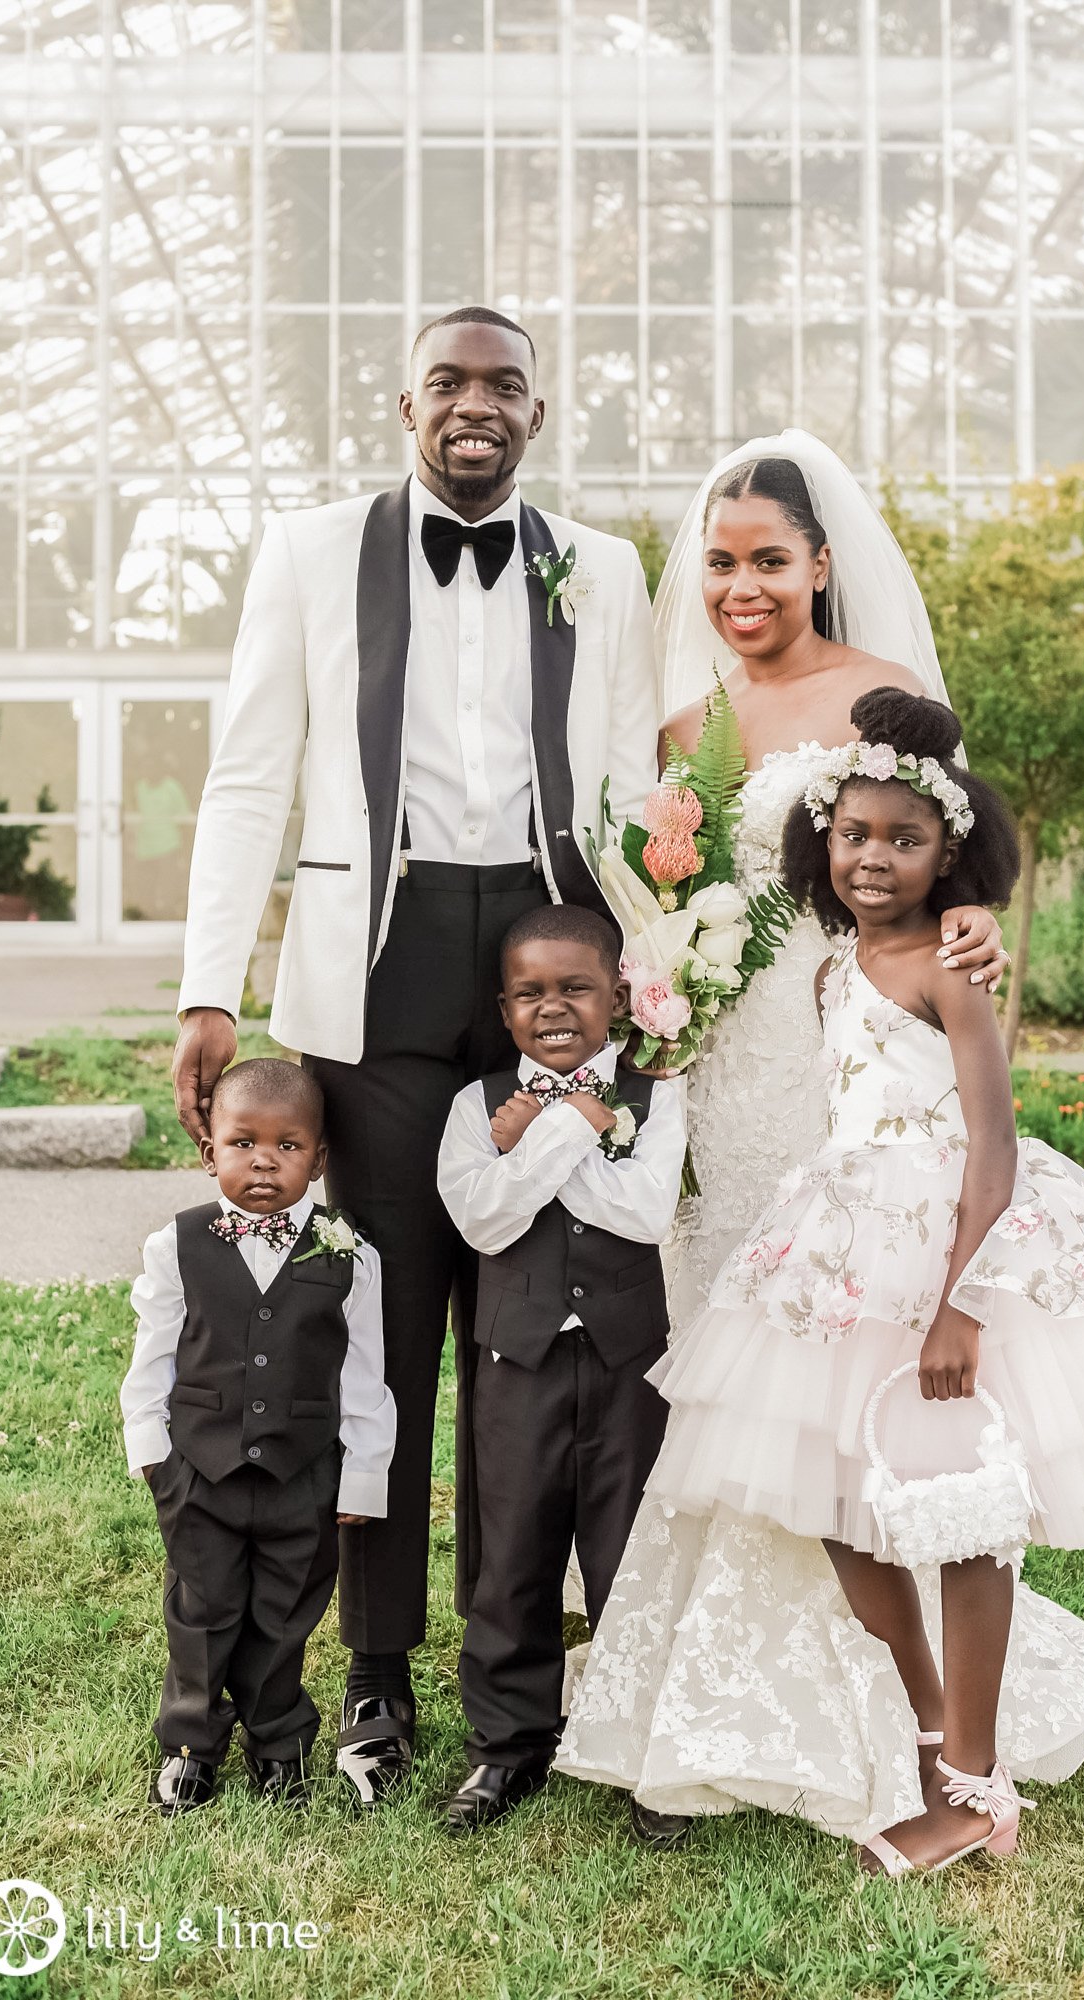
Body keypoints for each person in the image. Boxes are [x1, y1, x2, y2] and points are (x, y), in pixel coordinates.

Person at [558, 688, 1084, 1869]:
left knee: (965, 1513)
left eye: (905, 839)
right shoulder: (836, 967)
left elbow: (994, 1142)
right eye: (853, 834)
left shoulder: (951, 967)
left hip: (949, 1248)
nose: (873, 857)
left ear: (948, 852)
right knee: (837, 1507)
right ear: (822, 838)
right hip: (844, 1253)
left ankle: (977, 1789)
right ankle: (929, 1725)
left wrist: (962, 1304)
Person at [169, 306, 659, 1803]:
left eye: (503, 384)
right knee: (380, 1334)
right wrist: (208, 989)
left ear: (536, 414)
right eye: (448, 380)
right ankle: (376, 1681)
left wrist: (651, 972)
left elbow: (631, 778)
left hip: (549, 970)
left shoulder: (604, 566)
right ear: (405, 403)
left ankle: (520, 1675)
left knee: (522, 1344)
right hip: (371, 982)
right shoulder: (311, 550)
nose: (474, 404)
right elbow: (249, 773)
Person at [651, 434, 1009, 1328]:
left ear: (819, 565)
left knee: (850, 1268)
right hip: (721, 1051)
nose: (741, 588)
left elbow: (942, 841)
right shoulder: (682, 730)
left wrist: (971, 913)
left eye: (769, 561)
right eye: (721, 564)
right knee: (724, 1265)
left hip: (853, 1034)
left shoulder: (883, 697)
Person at [437, 906, 686, 1832]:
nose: (552, 1007)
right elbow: (484, 1220)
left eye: (575, 988)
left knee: (628, 1553)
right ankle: (507, 1747)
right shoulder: (474, 1106)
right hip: (519, 1361)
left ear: (615, 996)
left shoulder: (657, 1094)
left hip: (630, 1364)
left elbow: (644, 1213)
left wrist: (540, 1141)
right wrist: (570, 1127)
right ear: (503, 1008)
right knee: (512, 1555)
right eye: (529, 992)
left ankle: (641, 1751)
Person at [120, 1059, 398, 1816]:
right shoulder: (176, 1245)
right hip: (199, 1468)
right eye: (243, 1143)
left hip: (302, 1471)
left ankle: (279, 1746)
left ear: (320, 1158)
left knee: (285, 1614)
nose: (265, 1161)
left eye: (288, 1145)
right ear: (209, 1151)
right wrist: (153, 1453)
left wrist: (363, 1473)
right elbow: (155, 1353)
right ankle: (190, 1747)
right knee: (201, 1611)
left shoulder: (349, 1253)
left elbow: (364, 1372)